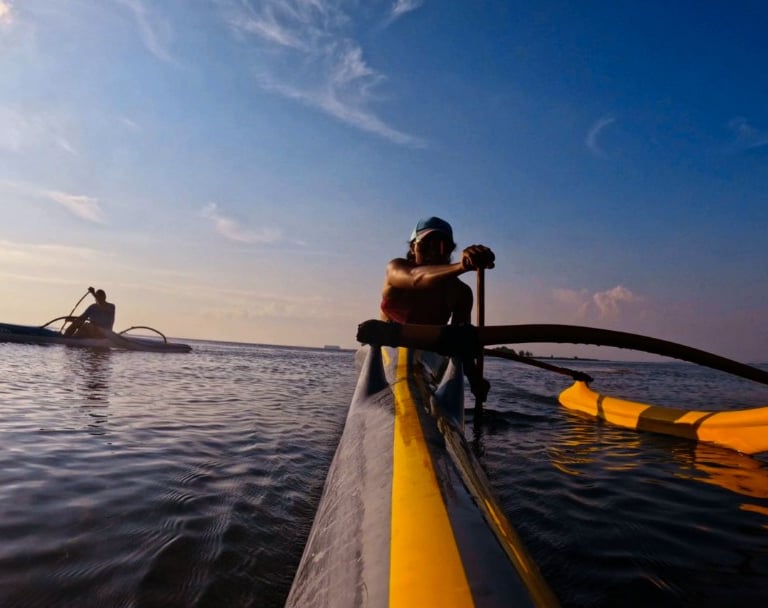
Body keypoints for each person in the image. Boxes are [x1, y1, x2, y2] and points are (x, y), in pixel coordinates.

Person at [380, 216, 495, 401]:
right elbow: (416, 278)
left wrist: (475, 380)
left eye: (441, 246)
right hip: (386, 357)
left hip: (428, 363)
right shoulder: (396, 269)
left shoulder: (461, 293)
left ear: (449, 250)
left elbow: (461, 344)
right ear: (412, 248)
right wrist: (463, 266)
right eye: (425, 245)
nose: (433, 252)